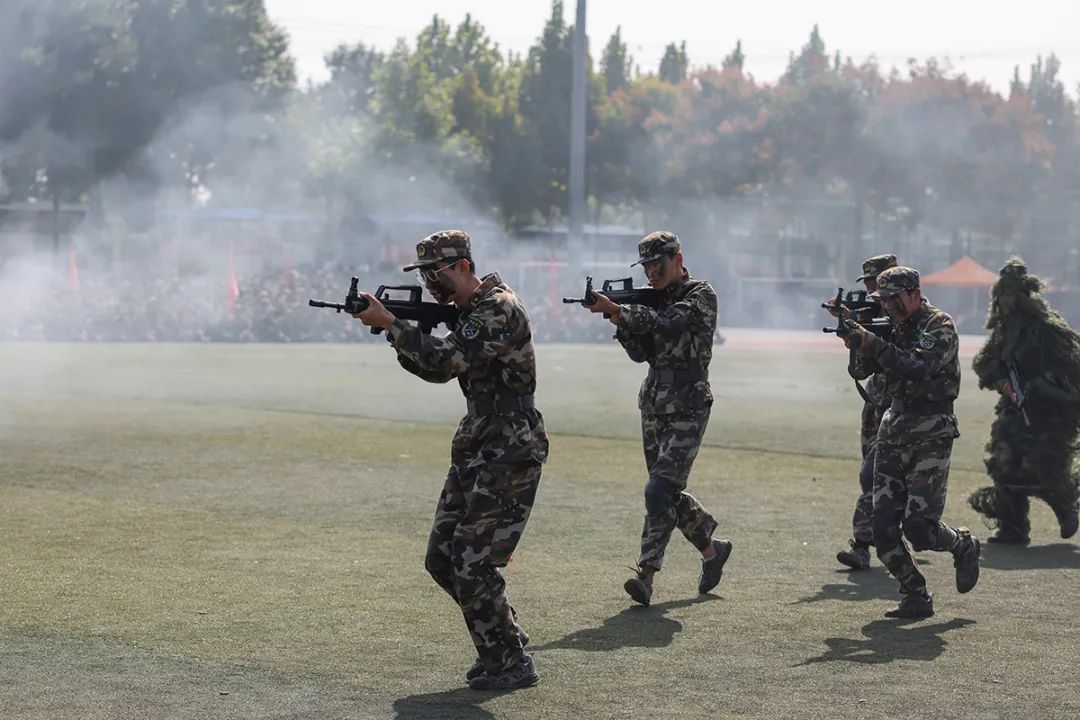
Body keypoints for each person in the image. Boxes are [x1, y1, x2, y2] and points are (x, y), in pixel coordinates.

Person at [353, 230, 548, 691]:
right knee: (441, 557)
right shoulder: (470, 311)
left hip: (509, 444)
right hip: (478, 439)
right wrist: (396, 333)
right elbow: (435, 371)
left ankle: (511, 660)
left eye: (434, 273)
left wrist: (393, 326)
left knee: (470, 561)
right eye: (424, 276)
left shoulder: (498, 307)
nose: (429, 283)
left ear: (462, 266)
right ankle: (503, 637)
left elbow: (448, 360)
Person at [580, 231, 732, 607]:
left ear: (677, 259)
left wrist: (620, 312)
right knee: (664, 493)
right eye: (646, 266)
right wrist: (618, 319)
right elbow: (640, 352)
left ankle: (646, 574)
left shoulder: (701, 295)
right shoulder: (650, 300)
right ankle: (712, 550)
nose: (651, 272)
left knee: (658, 491)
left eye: (657, 264)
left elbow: (668, 323)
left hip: (689, 402)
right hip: (654, 402)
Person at [841, 266, 981, 619]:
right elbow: (860, 372)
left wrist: (872, 342)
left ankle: (962, 543)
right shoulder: (891, 325)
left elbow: (916, 367)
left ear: (915, 293)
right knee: (882, 528)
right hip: (894, 426)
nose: (889, 306)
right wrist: (855, 342)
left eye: (894, 298)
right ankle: (915, 593)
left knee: (919, 529)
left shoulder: (939, 325)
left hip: (931, 429)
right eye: (884, 300)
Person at [968, 257, 1080, 544]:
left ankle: (1066, 505)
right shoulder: (1004, 329)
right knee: (1003, 463)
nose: (1003, 300)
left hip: (1047, 412)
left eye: (1008, 294)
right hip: (1015, 408)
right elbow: (986, 362)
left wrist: (1042, 385)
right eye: (1000, 294)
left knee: (1043, 466)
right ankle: (1013, 527)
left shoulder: (1045, 328)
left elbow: (1071, 365)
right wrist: (1003, 383)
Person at [832, 253, 898, 571]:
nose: (872, 288)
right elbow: (860, 371)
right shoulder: (870, 313)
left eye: (875, 280)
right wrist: (854, 335)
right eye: (869, 282)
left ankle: (862, 544)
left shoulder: (911, 316)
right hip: (875, 404)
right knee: (871, 475)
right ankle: (877, 539)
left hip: (901, 409)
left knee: (875, 474)